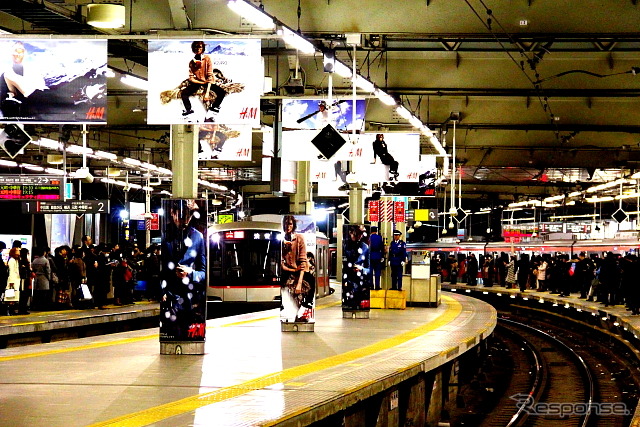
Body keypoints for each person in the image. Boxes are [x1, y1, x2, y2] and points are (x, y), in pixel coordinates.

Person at [161, 199, 206, 340]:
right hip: (168, 298)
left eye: (189, 216)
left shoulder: (198, 237)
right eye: (182, 216)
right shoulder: (163, 235)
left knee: (187, 335)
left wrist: (190, 273)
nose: (186, 220)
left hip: (190, 300)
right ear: (172, 213)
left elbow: (203, 273)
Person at [180, 41, 228, 121]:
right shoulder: (191, 62)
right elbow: (191, 78)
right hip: (198, 82)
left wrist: (207, 93)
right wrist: (201, 82)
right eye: (196, 47)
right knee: (184, 93)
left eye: (199, 47)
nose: (197, 49)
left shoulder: (207, 59)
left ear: (203, 49)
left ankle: (212, 111)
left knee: (222, 92)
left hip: (208, 82)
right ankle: (189, 113)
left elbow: (209, 75)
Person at [281, 215, 312, 322]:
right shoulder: (281, 240)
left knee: (310, 283)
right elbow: (280, 263)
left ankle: (305, 309)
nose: (287, 226)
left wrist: (299, 283)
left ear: (293, 225)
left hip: (301, 272)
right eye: (285, 223)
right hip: (288, 271)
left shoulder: (299, 238)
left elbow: (303, 261)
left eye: (290, 224)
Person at [342, 224, 370, 309]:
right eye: (356, 233)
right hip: (347, 282)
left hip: (359, 283)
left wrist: (362, 270)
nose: (359, 236)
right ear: (350, 233)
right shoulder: (345, 246)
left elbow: (369, 268)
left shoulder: (365, 247)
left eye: (360, 234)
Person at [31, 247, 51, 311]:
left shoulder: (35, 260)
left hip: (36, 278)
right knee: (44, 293)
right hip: (44, 278)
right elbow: (48, 271)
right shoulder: (45, 260)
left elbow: (32, 269)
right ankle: (43, 307)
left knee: (37, 293)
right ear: (44, 253)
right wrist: (49, 278)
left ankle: (36, 306)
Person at [368, 226, 385, 290]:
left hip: (370, 256)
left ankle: (371, 286)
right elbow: (382, 247)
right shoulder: (379, 238)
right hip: (378, 256)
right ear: (376, 231)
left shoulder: (369, 238)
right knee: (377, 272)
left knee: (370, 272)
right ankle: (377, 286)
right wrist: (382, 256)